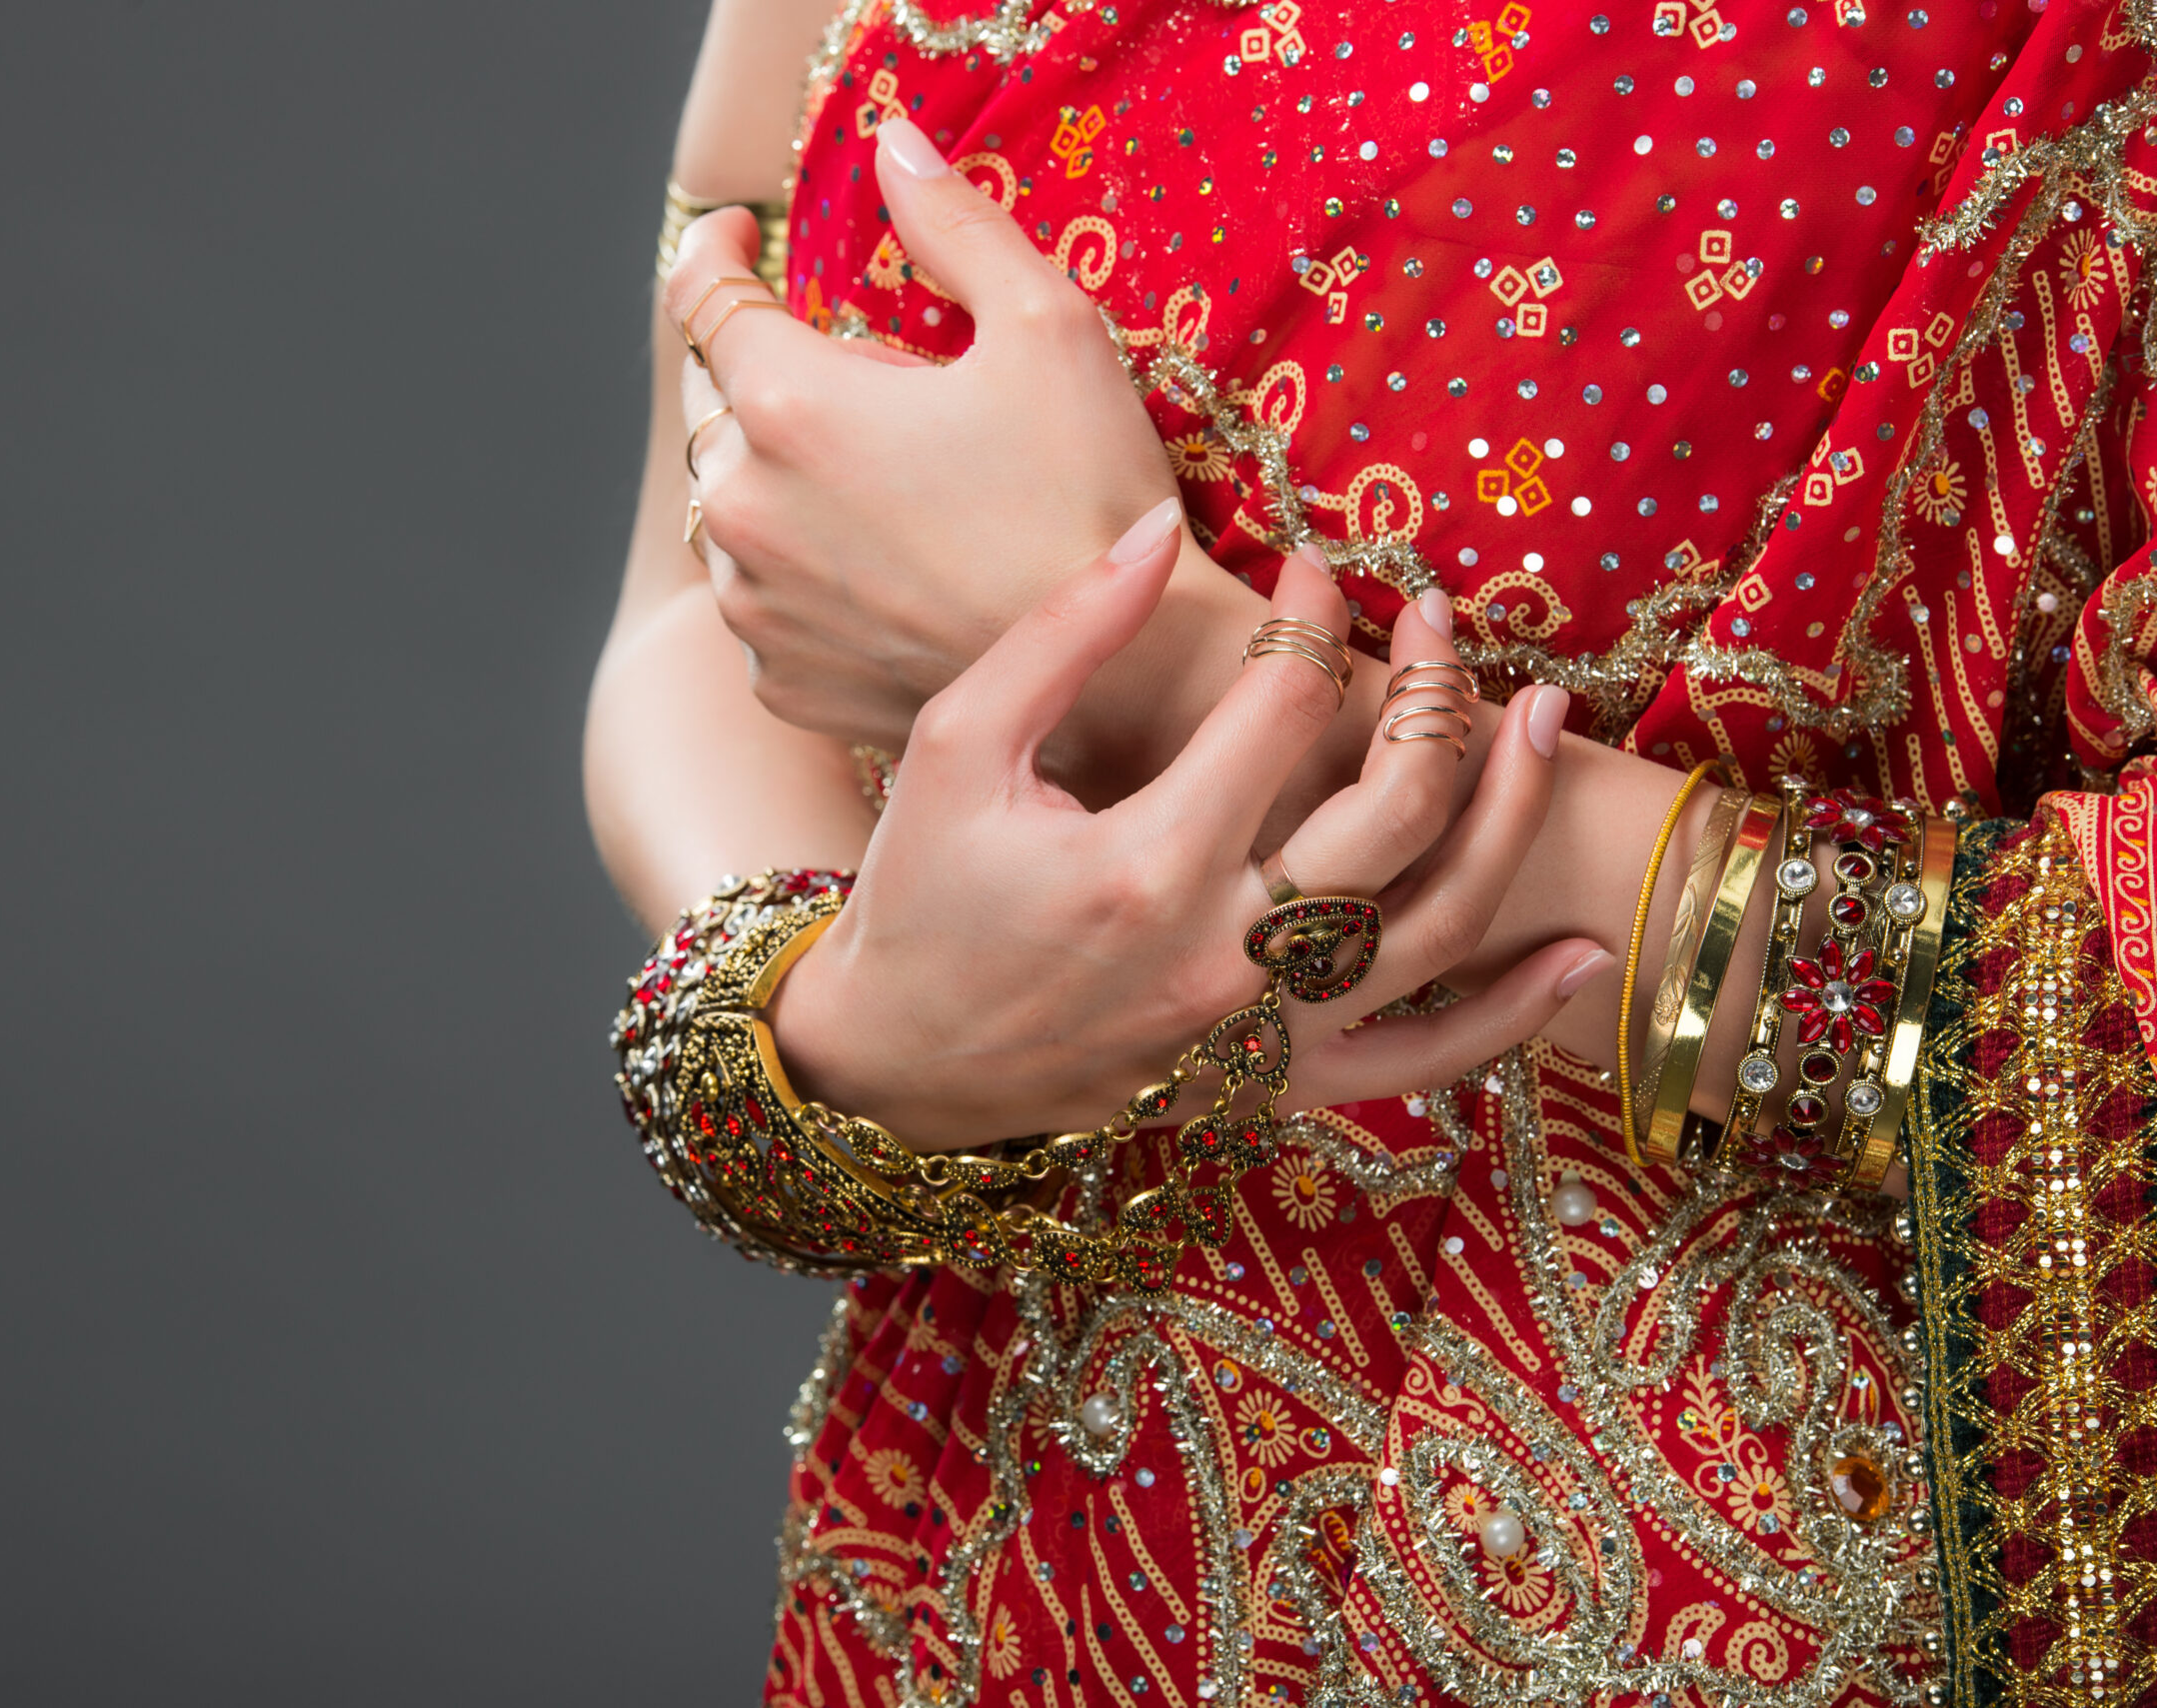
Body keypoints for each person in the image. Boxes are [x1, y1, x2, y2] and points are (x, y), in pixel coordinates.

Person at [587, 2, 2157, 1702]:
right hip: (991, 1571)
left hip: (1708, 1593)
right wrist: (840, 1026)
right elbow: (706, 555)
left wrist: (1199, 691)